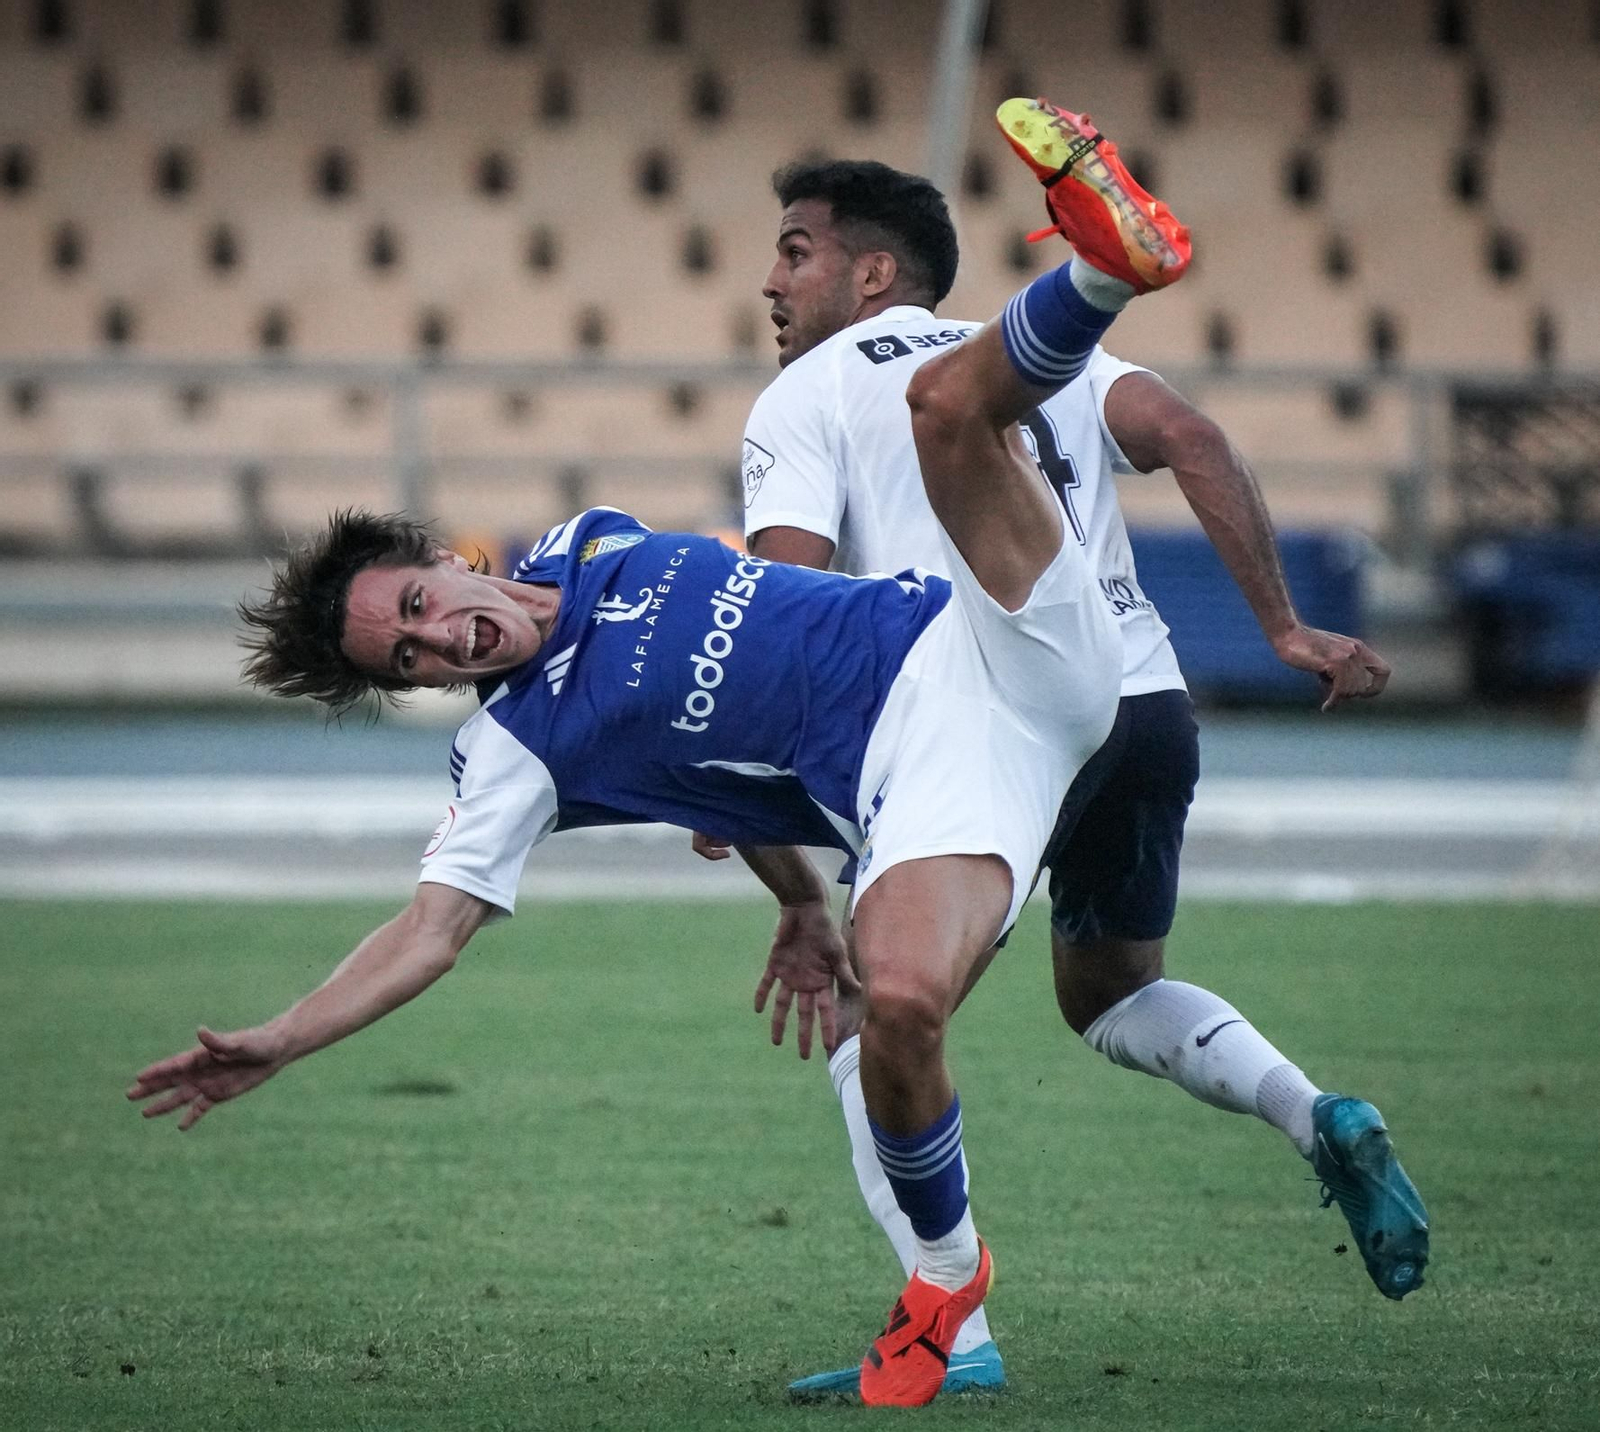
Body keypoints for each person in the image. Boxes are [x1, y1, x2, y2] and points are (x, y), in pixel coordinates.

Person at [126, 96, 1193, 1408]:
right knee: (902, 1005)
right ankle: (945, 1285)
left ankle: (1108, 262)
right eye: (401, 662)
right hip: (942, 775)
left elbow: (741, 714)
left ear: (432, 559)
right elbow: (427, 931)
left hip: (984, 643)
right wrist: (281, 1040)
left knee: (939, 405)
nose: (433, 644)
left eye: (411, 608)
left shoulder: (594, 535)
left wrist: (798, 901)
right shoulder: (518, 750)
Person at [713, 100, 1427, 1399]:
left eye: (796, 249)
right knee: (1106, 991)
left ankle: (954, 1337)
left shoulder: (804, 395)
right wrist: (1282, 625)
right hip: (1135, 697)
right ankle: (1314, 1114)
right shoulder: (1035, 357)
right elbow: (1193, 438)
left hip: (979, 723)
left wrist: (745, 783)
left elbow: (788, 605)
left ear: (874, 271)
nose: (771, 280)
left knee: (875, 1018)